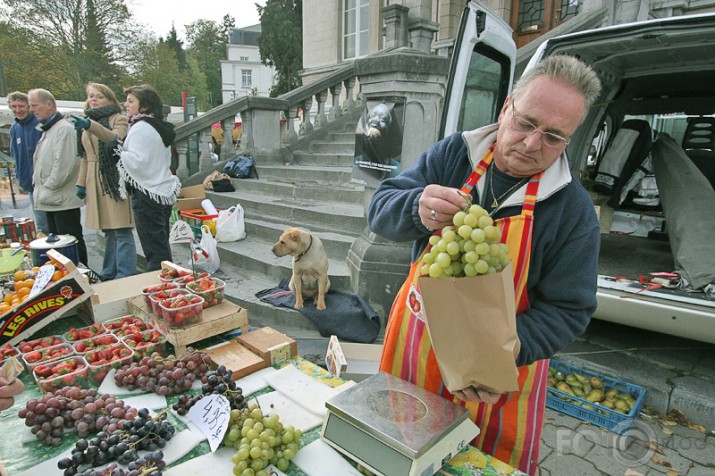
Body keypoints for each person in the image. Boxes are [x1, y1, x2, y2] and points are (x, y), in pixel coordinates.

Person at [367, 55, 602, 475]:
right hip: (414, 352)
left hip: (494, 381)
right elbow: (380, 209)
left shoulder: (573, 210)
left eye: (553, 136)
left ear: (570, 140)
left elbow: (570, 310)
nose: (532, 144)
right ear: (505, 107)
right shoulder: (456, 153)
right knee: (397, 453)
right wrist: (414, 207)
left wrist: (505, 352)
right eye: (526, 123)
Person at [72, 82, 136, 280]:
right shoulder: (86, 123)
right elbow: (85, 156)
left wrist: (91, 126)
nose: (93, 99)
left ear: (109, 99)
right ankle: (109, 271)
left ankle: (125, 273)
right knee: (108, 230)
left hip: (113, 180)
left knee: (122, 229)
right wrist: (80, 183)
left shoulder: (119, 119)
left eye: (99, 96)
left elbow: (114, 140)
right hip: (95, 180)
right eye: (91, 96)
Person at [116, 84, 181, 271]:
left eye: (131, 101)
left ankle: (162, 285)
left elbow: (139, 162)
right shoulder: (156, 126)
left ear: (143, 106)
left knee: (155, 251)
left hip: (147, 195)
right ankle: (166, 283)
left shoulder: (141, 128)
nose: (126, 105)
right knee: (160, 245)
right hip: (161, 191)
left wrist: (117, 151)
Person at [28, 88, 88, 265]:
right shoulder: (49, 129)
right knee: (58, 247)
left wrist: (47, 188)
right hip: (52, 199)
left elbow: (64, 166)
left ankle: (82, 276)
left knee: (71, 243)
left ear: (49, 105)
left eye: (35, 105)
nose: (32, 110)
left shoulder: (64, 130)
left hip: (61, 200)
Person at [8, 91, 48, 234]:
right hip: (30, 185)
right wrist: (20, 177)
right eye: (14, 106)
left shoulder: (40, 124)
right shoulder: (15, 128)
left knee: (48, 223)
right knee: (41, 223)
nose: (18, 110)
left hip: (46, 182)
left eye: (21, 106)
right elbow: (15, 154)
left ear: (29, 106)